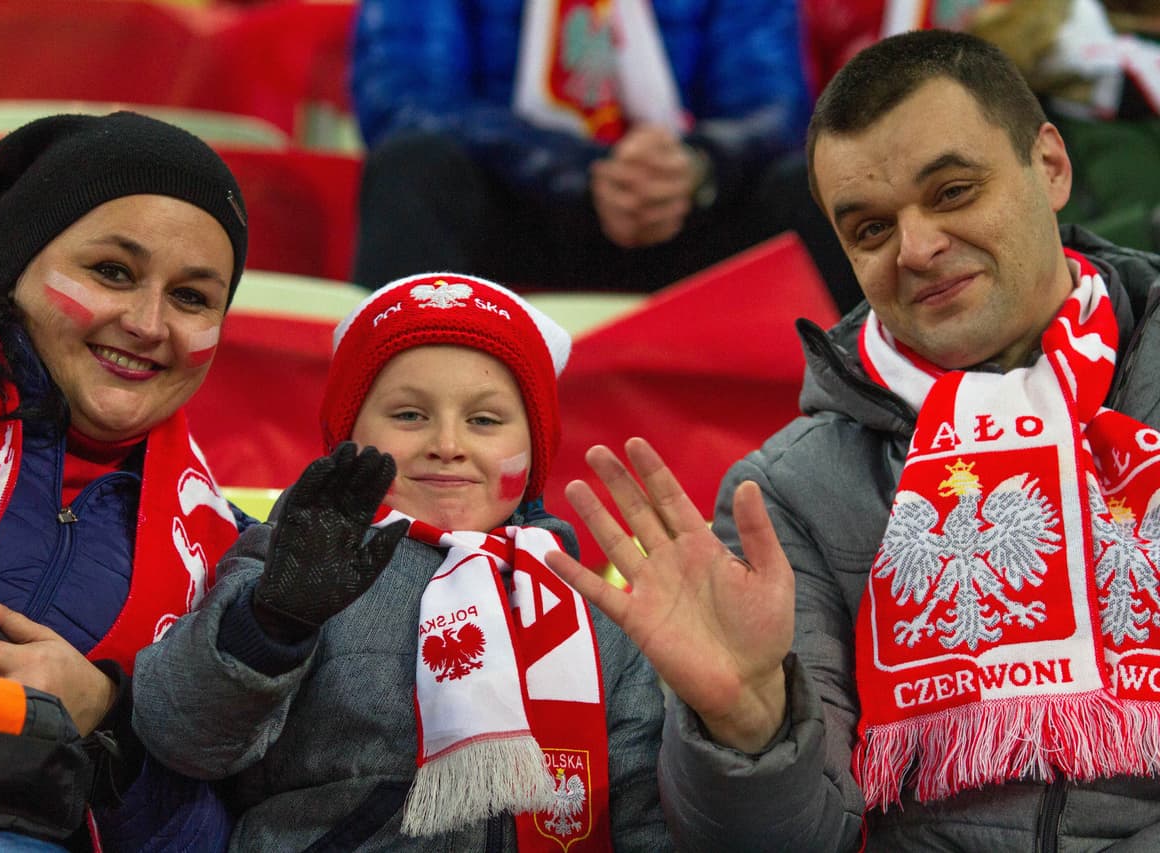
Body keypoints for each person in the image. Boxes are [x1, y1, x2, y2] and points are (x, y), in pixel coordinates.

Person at [543, 28, 1160, 850]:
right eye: (870, 229)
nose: (917, 249)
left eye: (951, 192)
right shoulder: (787, 491)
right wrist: (747, 727)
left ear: (1049, 165)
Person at [132, 272, 669, 850]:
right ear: (348, 438)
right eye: (409, 415)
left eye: (484, 420)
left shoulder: (587, 607)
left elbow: (641, 815)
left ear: (536, 448)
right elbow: (181, 737)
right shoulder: (291, 559)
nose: (447, 443)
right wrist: (270, 626)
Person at [0, 110, 259, 851]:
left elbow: (209, 838)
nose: (149, 323)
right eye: (112, 272)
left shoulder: (231, 559)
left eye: (191, 297)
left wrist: (109, 721)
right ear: (15, 267)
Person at [348, 0, 862, 311]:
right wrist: (578, 170)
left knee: (816, 187)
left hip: (685, 203)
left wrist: (694, 166)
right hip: (520, 198)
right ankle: (394, 433)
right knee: (411, 169)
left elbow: (775, 105)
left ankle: (851, 429)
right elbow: (401, 96)